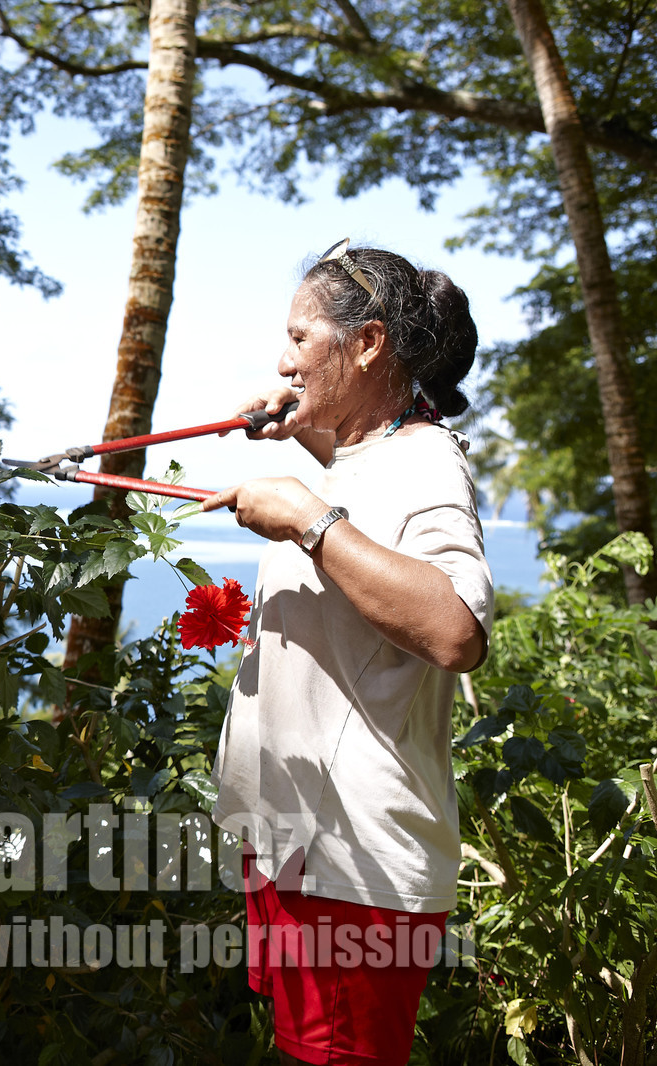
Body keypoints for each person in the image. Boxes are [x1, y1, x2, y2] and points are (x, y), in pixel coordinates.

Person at [199, 240, 495, 1066]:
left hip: (351, 870)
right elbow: (368, 489)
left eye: (300, 338)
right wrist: (307, 433)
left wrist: (306, 519)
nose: (281, 357)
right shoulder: (374, 453)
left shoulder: (429, 461)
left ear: (367, 344)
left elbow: (455, 628)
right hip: (305, 852)